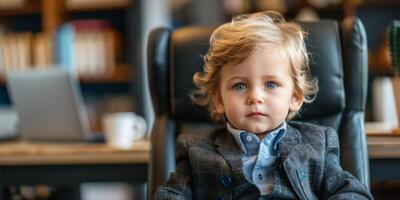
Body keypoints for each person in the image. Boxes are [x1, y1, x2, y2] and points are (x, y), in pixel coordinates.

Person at [154, 11, 373, 200]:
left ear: (294, 97)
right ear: (220, 100)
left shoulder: (318, 145)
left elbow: (353, 193)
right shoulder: (196, 152)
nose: (255, 97)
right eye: (239, 86)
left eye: (271, 84)